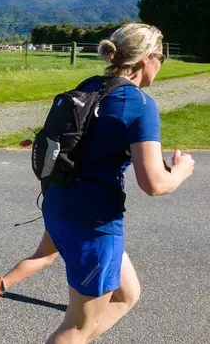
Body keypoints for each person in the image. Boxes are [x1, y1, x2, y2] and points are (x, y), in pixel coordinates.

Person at [28, 24, 192, 343]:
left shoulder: (91, 85)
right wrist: (182, 170)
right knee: (76, 326)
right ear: (147, 59)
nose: (162, 64)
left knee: (126, 295)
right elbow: (155, 183)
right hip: (95, 224)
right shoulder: (139, 104)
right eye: (162, 57)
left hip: (57, 206)